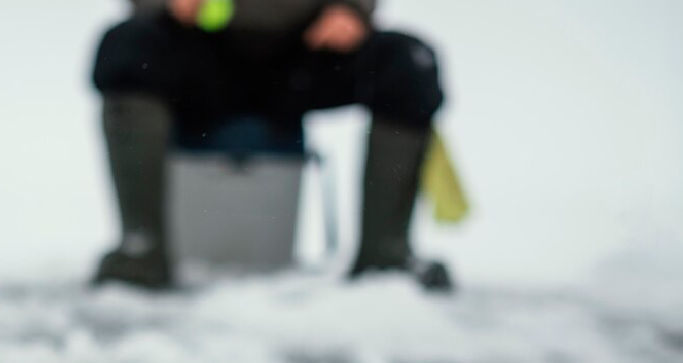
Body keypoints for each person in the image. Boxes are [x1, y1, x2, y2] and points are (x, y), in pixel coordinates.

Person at [91, 0, 451, 291]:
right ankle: (141, 253)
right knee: (127, 49)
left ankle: (384, 258)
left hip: (310, 49)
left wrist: (352, 9)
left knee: (408, 63)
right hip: (199, 46)